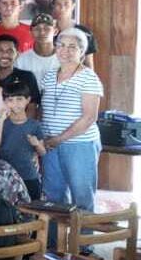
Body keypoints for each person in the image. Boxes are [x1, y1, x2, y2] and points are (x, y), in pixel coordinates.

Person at [39, 28, 103, 213]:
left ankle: (82, 242)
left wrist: (59, 139)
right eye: (61, 45)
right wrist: (46, 139)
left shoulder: (88, 77)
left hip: (79, 144)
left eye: (72, 47)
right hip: (50, 144)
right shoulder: (50, 75)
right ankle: (54, 241)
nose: (65, 51)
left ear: (82, 52)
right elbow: (44, 109)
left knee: (82, 196)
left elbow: (90, 117)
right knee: (53, 196)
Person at [0, 81, 45, 201]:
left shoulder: (34, 125)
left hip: (28, 174)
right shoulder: (0, 122)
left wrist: (36, 144)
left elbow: (43, 152)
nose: (15, 104)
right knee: (8, 208)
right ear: (5, 102)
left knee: (32, 207)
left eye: (19, 99)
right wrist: (1, 120)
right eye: (10, 100)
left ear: (28, 100)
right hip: (5, 174)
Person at [0, 34, 41, 112]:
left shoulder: (27, 77)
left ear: (17, 55)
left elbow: (32, 106)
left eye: (10, 51)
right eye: (0, 51)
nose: (5, 54)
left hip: (19, 123)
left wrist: (27, 124)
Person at [50, 0, 96, 68]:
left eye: (66, 4)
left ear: (73, 6)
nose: (62, 8)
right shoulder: (47, 32)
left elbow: (89, 64)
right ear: (53, 7)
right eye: (58, 4)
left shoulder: (84, 33)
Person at [17, 13, 60, 91]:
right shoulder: (21, 60)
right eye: (37, 29)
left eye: (47, 29)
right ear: (30, 32)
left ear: (55, 31)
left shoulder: (64, 58)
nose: (42, 32)